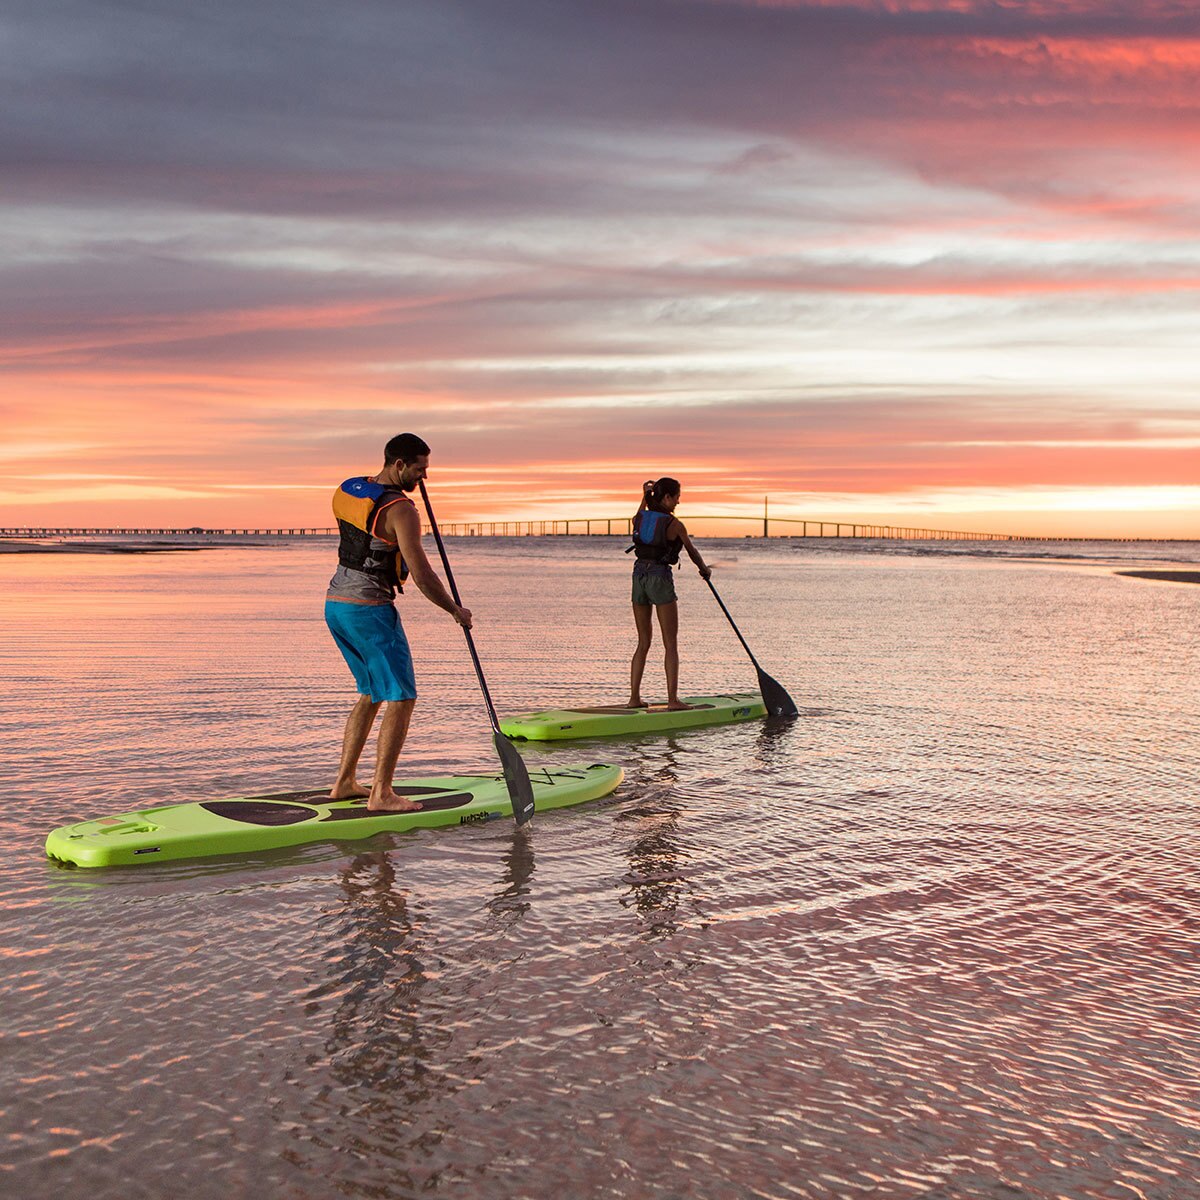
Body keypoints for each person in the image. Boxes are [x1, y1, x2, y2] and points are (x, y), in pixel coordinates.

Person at [325, 433, 471, 812]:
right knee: (402, 696)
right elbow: (421, 574)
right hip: (369, 609)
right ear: (399, 465)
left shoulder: (349, 490)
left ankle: (343, 783)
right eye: (420, 469)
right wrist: (455, 610)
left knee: (372, 693)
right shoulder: (403, 510)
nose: (425, 477)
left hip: (336, 605)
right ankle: (381, 793)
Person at [627, 477, 711, 710]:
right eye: (676, 498)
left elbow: (638, 520)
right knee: (670, 643)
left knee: (643, 642)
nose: (677, 503)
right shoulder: (674, 524)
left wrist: (644, 496)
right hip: (659, 578)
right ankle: (673, 700)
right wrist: (704, 570)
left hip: (638, 577)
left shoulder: (639, 517)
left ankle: (634, 698)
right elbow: (692, 551)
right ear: (666, 498)